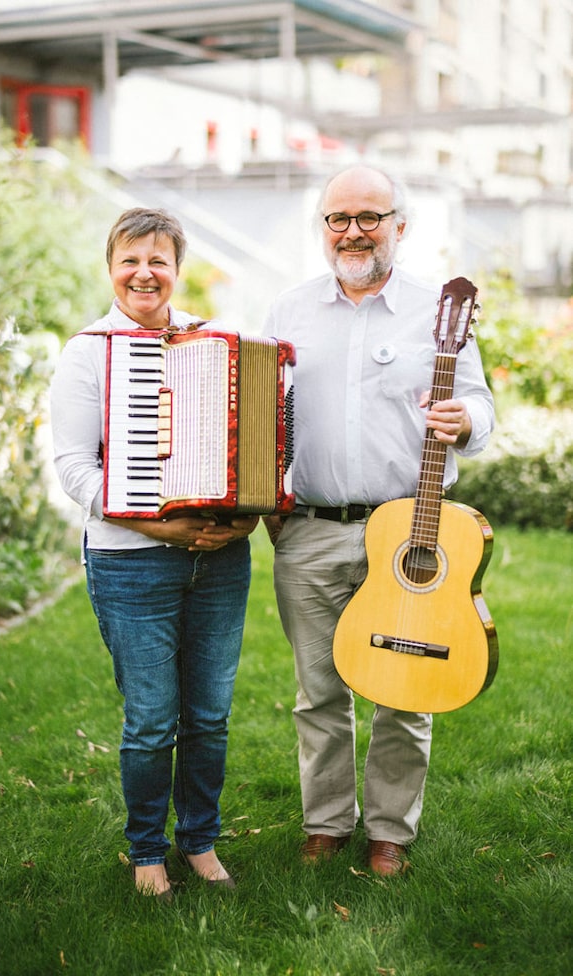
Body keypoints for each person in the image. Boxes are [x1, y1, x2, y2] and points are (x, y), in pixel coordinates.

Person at [262, 165, 494, 876]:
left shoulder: (438, 312)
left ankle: (391, 830)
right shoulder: (289, 311)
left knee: (408, 690)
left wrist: (465, 420)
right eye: (338, 218)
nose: (353, 230)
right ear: (323, 228)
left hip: (412, 535)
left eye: (369, 215)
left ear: (401, 224)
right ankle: (326, 823)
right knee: (318, 690)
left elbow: (481, 410)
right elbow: (262, 413)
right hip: (310, 528)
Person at [50, 208, 258, 902]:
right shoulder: (88, 350)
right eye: (130, 260)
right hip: (130, 560)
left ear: (177, 268)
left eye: (159, 260)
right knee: (151, 720)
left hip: (221, 559)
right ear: (111, 267)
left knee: (209, 715)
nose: (145, 273)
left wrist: (249, 512)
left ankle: (198, 840)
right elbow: (75, 469)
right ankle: (146, 847)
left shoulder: (215, 342)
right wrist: (156, 526)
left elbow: (253, 441)